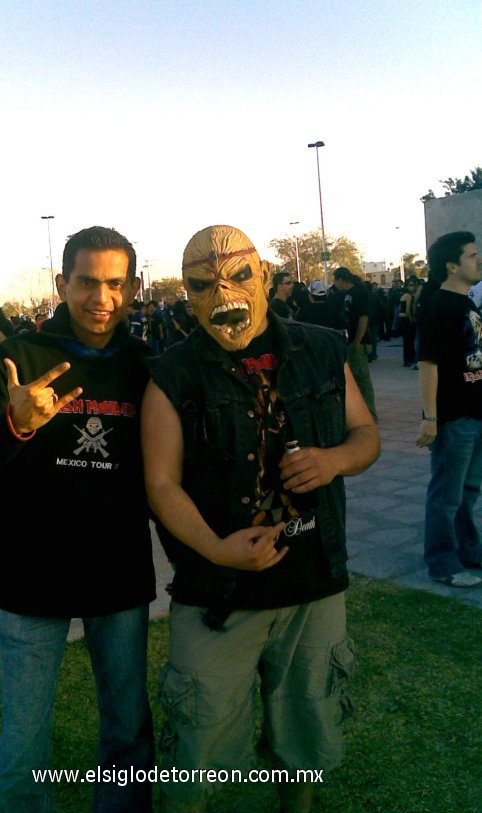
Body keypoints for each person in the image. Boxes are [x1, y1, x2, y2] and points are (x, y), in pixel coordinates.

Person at [142, 225, 380, 813]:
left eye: (240, 275)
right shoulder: (172, 374)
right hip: (218, 596)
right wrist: (218, 549)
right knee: (196, 755)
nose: (224, 294)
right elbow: (160, 484)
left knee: (304, 733)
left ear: (267, 278)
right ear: (188, 295)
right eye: (203, 284)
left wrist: (333, 461)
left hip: (312, 583)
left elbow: (367, 435)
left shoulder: (324, 349)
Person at [0, 226, 156, 813]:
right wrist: (15, 426)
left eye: (115, 283)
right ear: (62, 283)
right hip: (28, 579)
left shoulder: (145, 366)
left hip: (118, 576)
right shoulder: (16, 358)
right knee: (25, 740)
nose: (101, 298)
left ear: (134, 288)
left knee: (127, 731)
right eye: (87, 282)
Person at [416, 231, 482, 588]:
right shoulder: (439, 306)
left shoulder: (468, 304)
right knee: (446, 495)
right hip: (455, 417)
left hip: (476, 412)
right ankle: (443, 563)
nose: (479, 259)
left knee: (468, 491)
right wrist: (430, 418)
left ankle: (469, 550)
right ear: (452, 266)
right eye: (472, 255)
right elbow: (429, 365)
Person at [333, 267, 377, 421]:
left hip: (358, 342)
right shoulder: (347, 295)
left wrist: (358, 341)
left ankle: (370, 414)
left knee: (362, 380)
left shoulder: (359, 293)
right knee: (355, 379)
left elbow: (363, 318)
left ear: (340, 279)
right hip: (350, 341)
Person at [398, 276, 418, 367]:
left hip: (402, 319)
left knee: (407, 341)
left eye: (413, 285)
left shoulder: (403, 295)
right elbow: (407, 310)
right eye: (411, 285)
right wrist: (411, 319)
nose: (413, 287)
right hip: (406, 319)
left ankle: (408, 359)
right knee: (409, 341)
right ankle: (409, 359)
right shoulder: (408, 296)